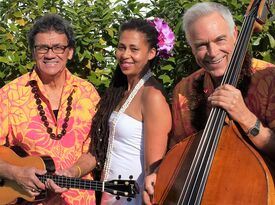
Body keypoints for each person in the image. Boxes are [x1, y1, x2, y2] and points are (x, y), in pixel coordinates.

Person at [65, 18, 174, 205]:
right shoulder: (120, 91)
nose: (125, 54)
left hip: (134, 197)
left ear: (152, 53)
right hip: (111, 194)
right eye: (121, 47)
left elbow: (154, 169)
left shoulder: (152, 96)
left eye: (134, 49)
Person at [0, 14, 100, 204]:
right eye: (42, 47)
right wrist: (15, 172)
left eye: (58, 47)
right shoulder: (9, 95)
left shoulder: (88, 93)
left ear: (70, 52)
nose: (50, 54)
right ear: (33, 52)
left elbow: (95, 150)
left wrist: (73, 172)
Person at [171, 2, 275, 164]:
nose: (212, 53)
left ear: (235, 34)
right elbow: (178, 154)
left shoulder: (270, 78)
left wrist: (246, 118)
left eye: (220, 40)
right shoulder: (183, 90)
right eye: (201, 45)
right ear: (191, 47)